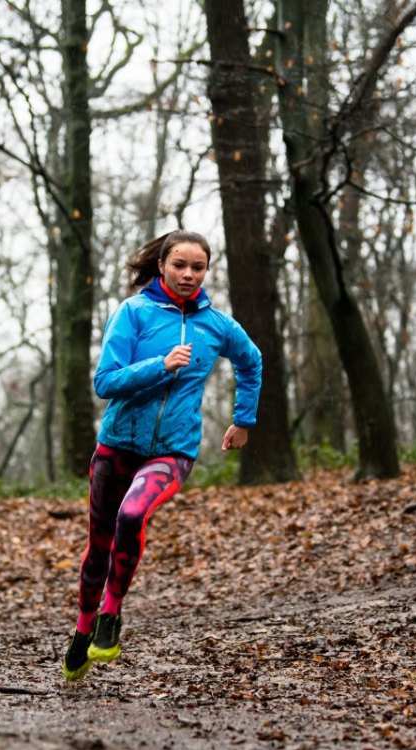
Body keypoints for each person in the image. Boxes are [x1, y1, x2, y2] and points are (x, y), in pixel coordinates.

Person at [62, 230, 262, 681]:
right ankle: (82, 629)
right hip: (117, 447)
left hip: (172, 451)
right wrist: (162, 365)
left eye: (198, 267)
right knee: (98, 545)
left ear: (207, 271)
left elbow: (252, 362)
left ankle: (111, 615)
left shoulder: (217, 326)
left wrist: (243, 420)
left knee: (132, 515)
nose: (189, 274)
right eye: (179, 265)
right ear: (162, 266)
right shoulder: (133, 313)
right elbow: (104, 383)